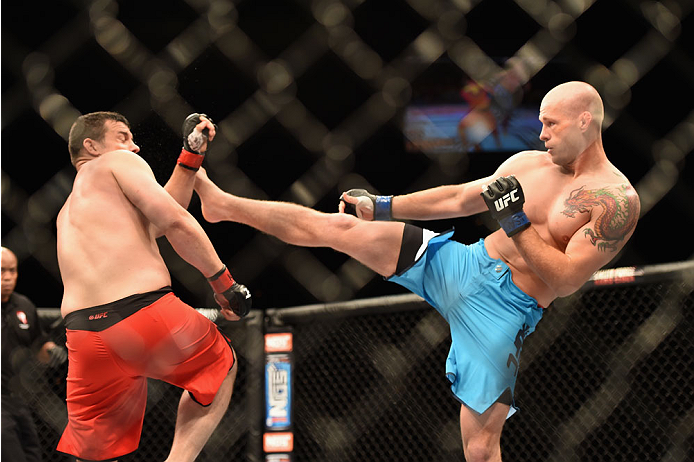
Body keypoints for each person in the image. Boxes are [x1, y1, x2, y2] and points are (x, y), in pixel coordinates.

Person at [188, 81, 640, 461]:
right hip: (465, 263)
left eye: (551, 123)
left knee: (481, 447)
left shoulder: (615, 200)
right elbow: (460, 198)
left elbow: (566, 279)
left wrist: (516, 222)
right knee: (339, 228)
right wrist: (382, 206)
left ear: (585, 120)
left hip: (506, 309)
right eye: (539, 121)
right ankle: (224, 205)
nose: (540, 132)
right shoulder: (527, 165)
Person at [54, 111, 251, 462]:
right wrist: (225, 284)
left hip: (84, 339)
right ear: (92, 146)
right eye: (123, 136)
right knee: (221, 365)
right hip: (143, 314)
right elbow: (174, 220)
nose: (135, 145)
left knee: (96, 454)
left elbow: (159, 212)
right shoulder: (116, 163)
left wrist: (190, 157)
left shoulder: (70, 210)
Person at [1, 246, 68, 462]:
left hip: (19, 398)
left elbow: (39, 343)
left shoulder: (23, 305)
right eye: (1, 271)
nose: (8, 277)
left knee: (32, 454)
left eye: (12, 270)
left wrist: (52, 351)